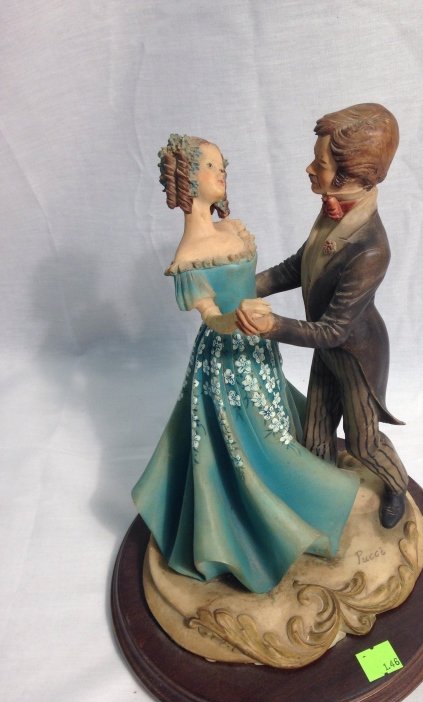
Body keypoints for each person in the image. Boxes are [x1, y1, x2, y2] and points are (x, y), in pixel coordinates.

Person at [131, 134, 359, 594]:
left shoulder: (233, 230)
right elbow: (211, 316)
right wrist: (235, 318)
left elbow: (254, 281)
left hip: (258, 345)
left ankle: (287, 498)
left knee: (275, 420)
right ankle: (262, 525)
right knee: (250, 441)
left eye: (222, 166)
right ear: (188, 177)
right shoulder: (189, 257)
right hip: (227, 360)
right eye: (211, 167)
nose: (221, 174)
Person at [236, 104, 408, 529]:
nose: (310, 169)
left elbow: (333, 330)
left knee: (363, 444)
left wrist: (271, 326)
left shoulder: (371, 248)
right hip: (326, 349)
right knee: (315, 437)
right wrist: (248, 286)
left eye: (321, 163)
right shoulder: (333, 211)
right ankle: (323, 502)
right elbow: (300, 265)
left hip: (354, 357)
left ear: (351, 175)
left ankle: (397, 487)